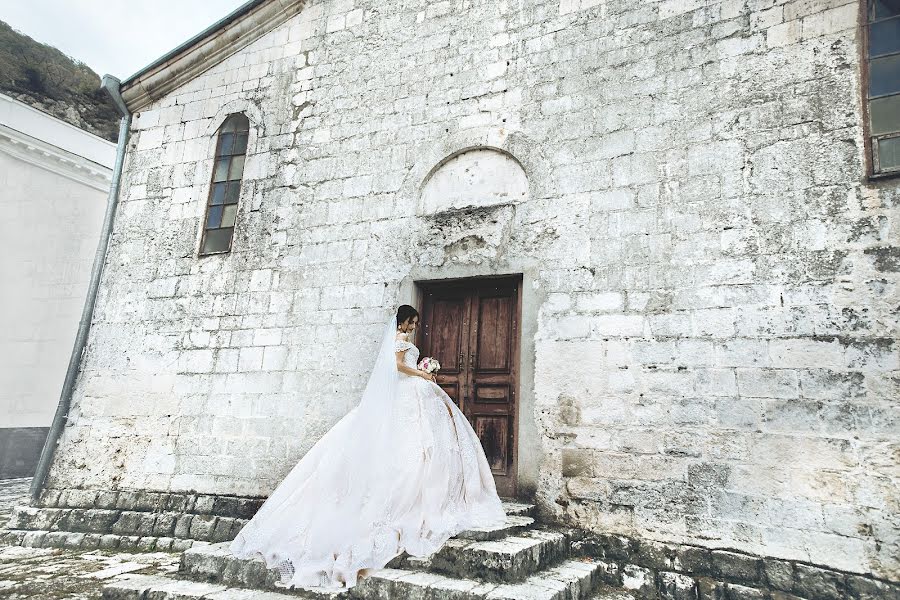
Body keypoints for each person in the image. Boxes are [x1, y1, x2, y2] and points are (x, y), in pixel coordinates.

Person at [228, 304, 508, 590]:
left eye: (414, 323)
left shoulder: (404, 341)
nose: (413, 326)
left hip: (411, 392)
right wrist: (423, 374)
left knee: (423, 442)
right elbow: (397, 366)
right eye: (411, 322)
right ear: (403, 321)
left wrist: (423, 370)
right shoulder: (399, 341)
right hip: (408, 390)